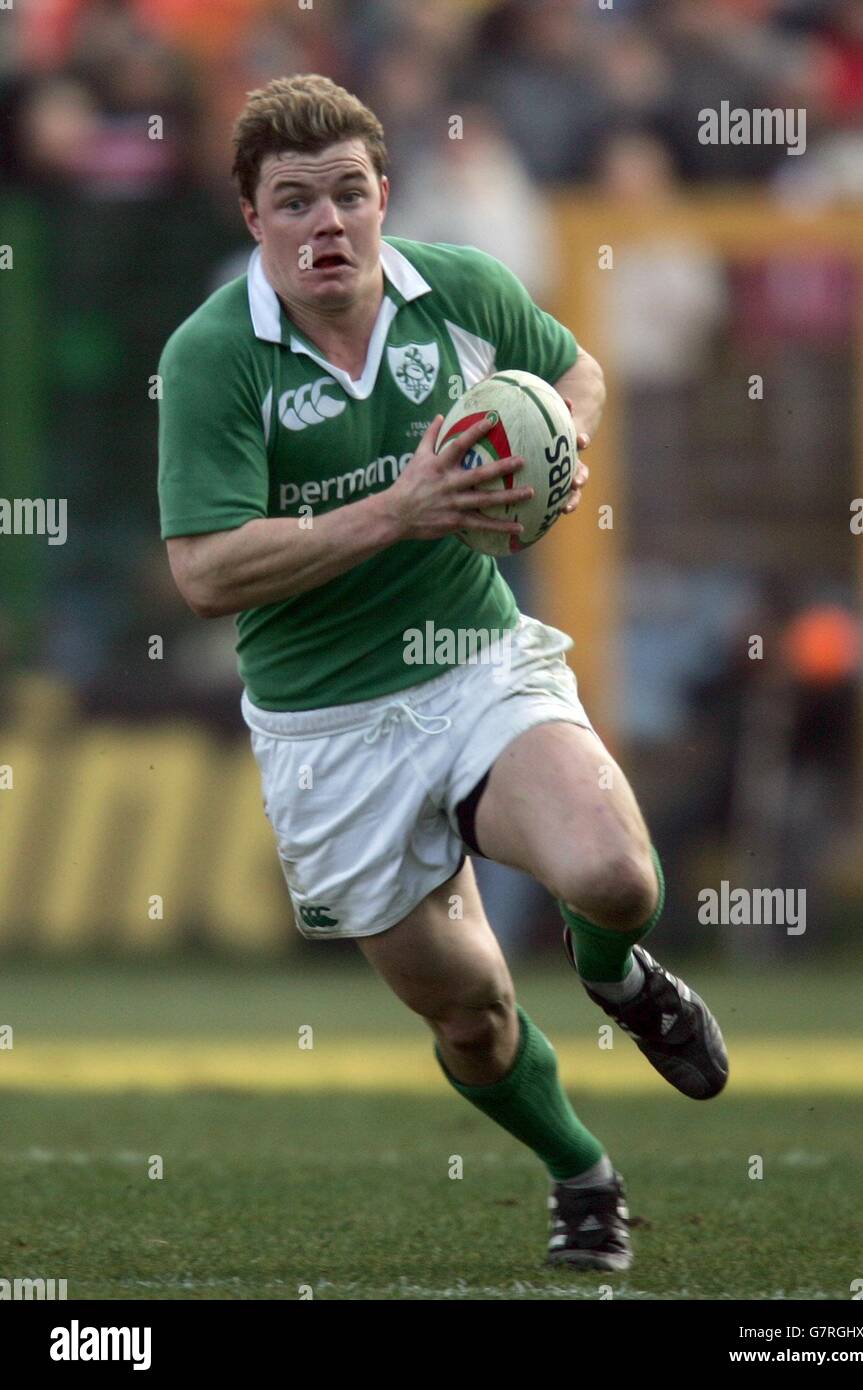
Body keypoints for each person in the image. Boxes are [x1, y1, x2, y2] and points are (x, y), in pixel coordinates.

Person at [157, 73, 728, 1274]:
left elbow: (579, 377)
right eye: (293, 201)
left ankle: (615, 971)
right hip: (326, 726)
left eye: (349, 195)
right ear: (251, 218)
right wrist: (399, 506)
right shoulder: (214, 358)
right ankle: (580, 1171)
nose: (327, 223)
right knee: (469, 1015)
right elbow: (206, 574)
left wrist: (552, 450)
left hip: (473, 663)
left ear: (383, 198)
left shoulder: (457, 288)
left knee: (613, 874)